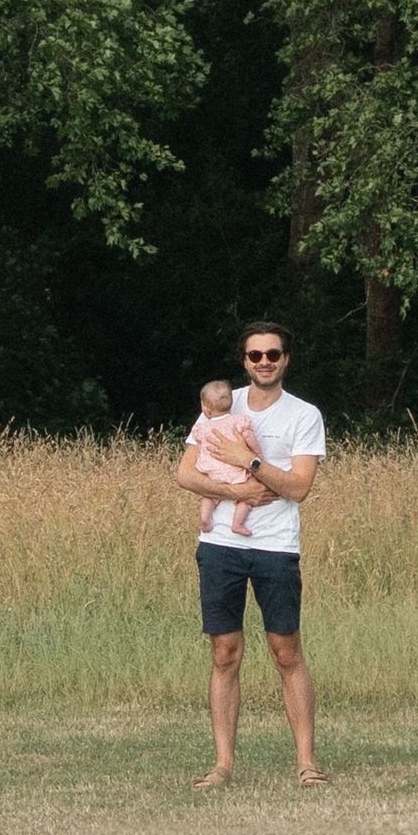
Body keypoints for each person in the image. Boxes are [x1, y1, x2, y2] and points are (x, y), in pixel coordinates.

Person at [174, 321, 324, 788]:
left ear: (286, 360)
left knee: (286, 651)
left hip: (276, 546)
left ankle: (306, 764)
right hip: (221, 545)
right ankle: (222, 765)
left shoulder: (303, 415)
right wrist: (233, 488)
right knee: (224, 653)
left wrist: (250, 462)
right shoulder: (219, 404)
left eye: (273, 355)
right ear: (245, 361)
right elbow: (184, 474)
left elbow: (299, 487)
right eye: (256, 356)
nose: (265, 362)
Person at [186, 382, 264, 538]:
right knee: (247, 496)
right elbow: (248, 436)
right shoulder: (239, 421)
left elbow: (200, 445)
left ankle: (205, 519)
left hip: (213, 472)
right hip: (235, 472)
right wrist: (257, 452)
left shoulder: (202, 427)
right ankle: (237, 524)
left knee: (209, 494)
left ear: (205, 408)